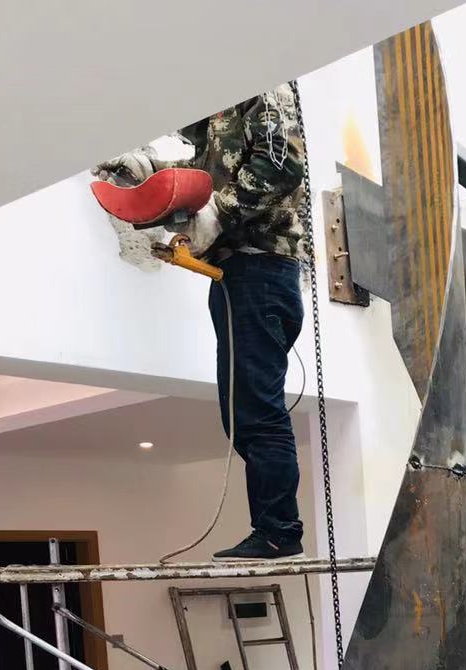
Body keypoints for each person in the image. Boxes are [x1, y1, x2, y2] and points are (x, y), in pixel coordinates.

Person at [99, 88, 308, 560]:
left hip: (261, 268)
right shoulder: (216, 115)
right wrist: (150, 169)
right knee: (243, 415)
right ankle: (275, 528)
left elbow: (281, 165)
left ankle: (279, 531)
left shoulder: (263, 89)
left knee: (257, 413)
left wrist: (219, 212)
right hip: (240, 272)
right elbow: (202, 168)